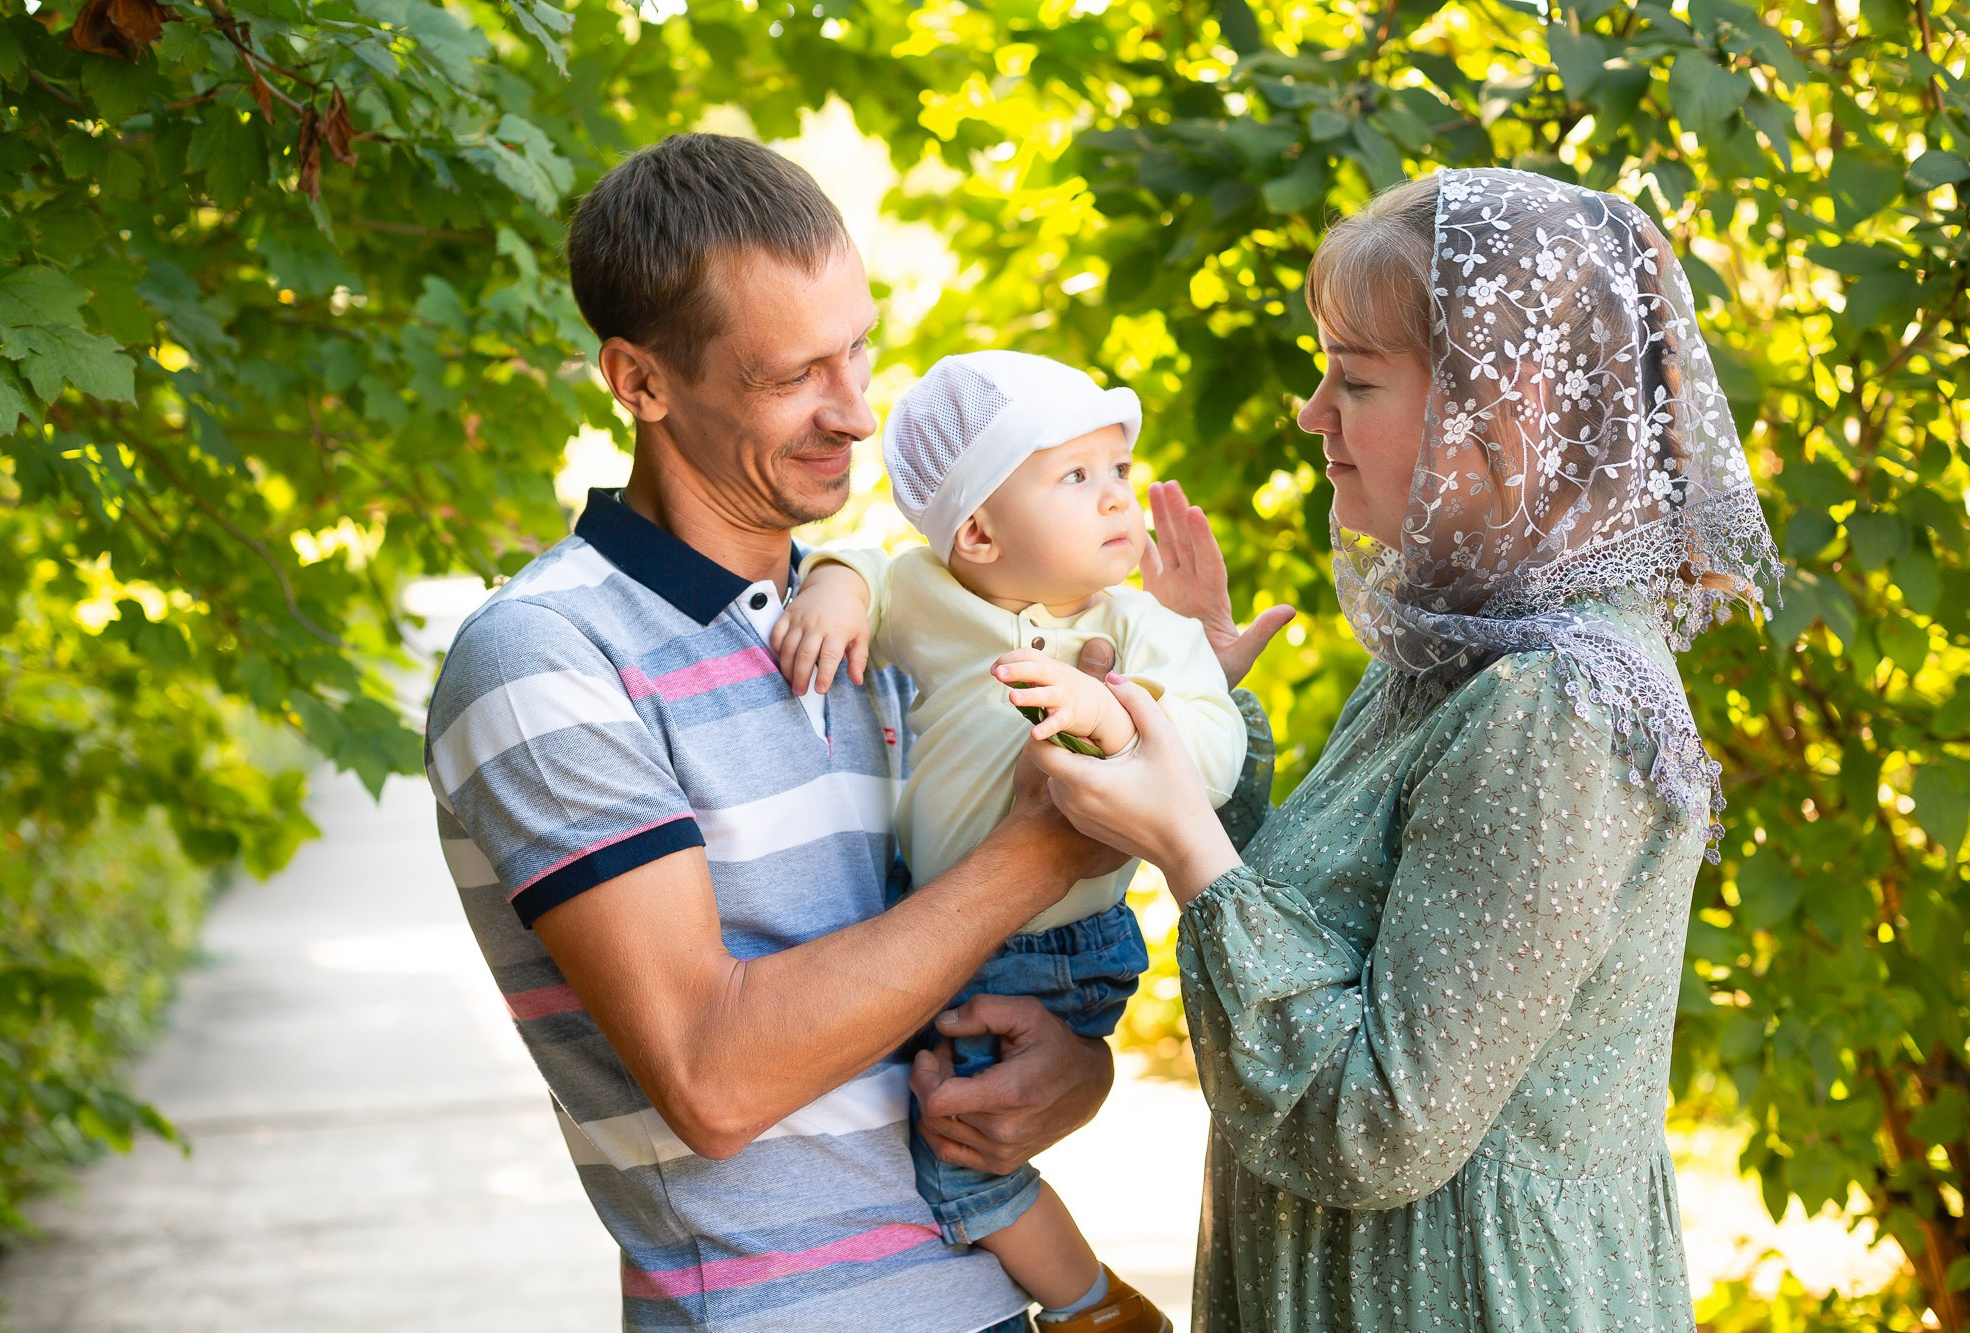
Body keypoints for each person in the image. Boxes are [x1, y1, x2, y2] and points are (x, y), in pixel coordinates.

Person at [423, 134, 1285, 1332]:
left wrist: (1066, 1068)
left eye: (859, 347)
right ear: (639, 381)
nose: (858, 412)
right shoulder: (548, 657)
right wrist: (1042, 850)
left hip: (986, 1301)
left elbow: (935, 971)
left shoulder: (890, 622)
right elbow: (714, 1081)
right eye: (793, 375)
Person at [1022, 167, 1782, 1332]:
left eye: (1355, 378)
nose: (1310, 410)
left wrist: (1182, 842)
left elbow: (1372, 1126)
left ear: (1506, 400)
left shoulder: (1557, 706)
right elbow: (1335, 932)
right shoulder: (1466, 650)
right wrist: (1192, 726)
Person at [770, 350, 1249, 1330]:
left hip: (1052, 947)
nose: (1117, 497)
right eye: (1075, 477)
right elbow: (869, 562)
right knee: (915, 1115)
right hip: (935, 926)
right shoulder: (924, 591)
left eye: (1117, 469)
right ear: (977, 529)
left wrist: (1117, 714)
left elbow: (1214, 748)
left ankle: (1093, 1308)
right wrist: (833, 589)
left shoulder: (1145, 628)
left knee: (957, 1155)